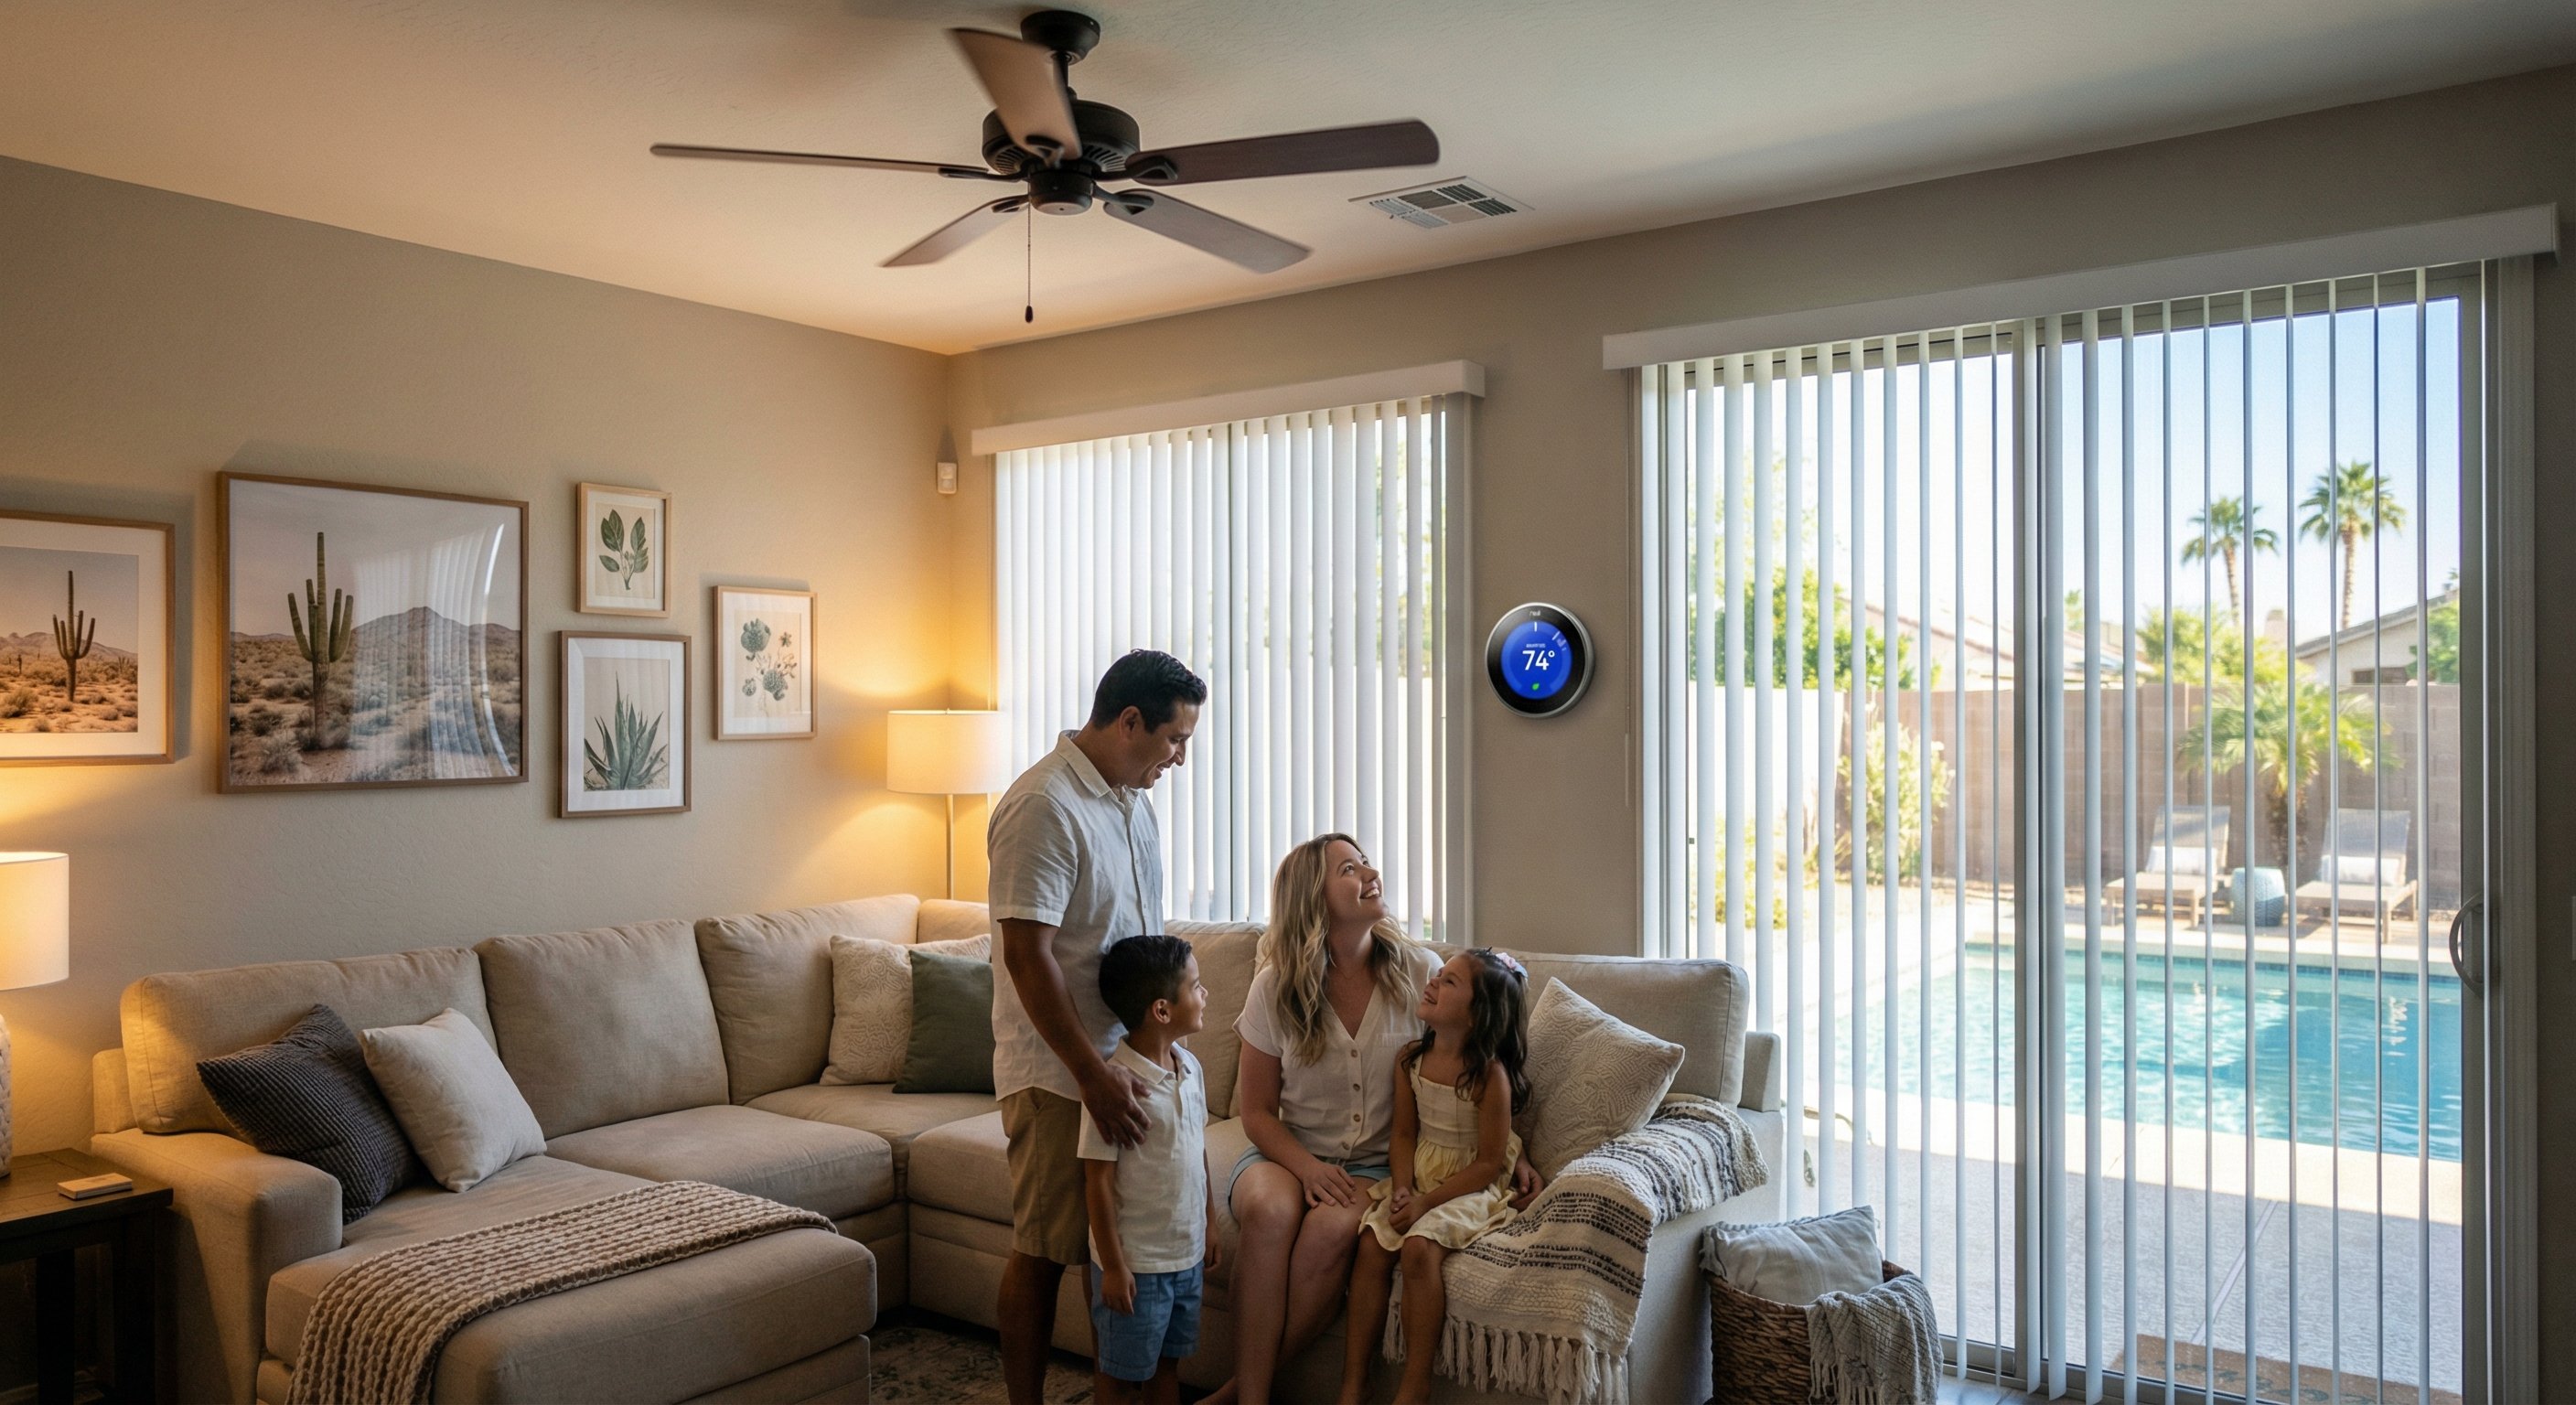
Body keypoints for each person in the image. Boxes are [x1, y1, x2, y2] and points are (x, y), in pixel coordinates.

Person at [1208, 835, 1540, 1405]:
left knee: (1330, 1232)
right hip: (1286, 1152)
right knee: (1269, 1213)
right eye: (1349, 868)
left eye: (1365, 861)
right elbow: (1258, 1112)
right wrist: (1308, 1169)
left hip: (1377, 1165)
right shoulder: (1274, 988)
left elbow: (1473, 1071)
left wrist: (1517, 1150)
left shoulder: (1421, 972)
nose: (1370, 872)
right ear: (1313, 896)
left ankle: (1240, 1392)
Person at [987, 649, 1205, 1405]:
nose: (1178, 758)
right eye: (1174, 740)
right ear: (1129, 721)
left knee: (1112, 1251)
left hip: (1128, 1071)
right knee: (1044, 1251)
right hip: (1059, 1073)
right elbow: (1027, 952)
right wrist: (1090, 1073)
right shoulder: (1043, 805)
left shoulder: (1132, 800)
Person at [1338, 949, 1532, 1405]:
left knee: (1419, 1248)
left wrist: (1426, 1204)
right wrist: (1404, 1188)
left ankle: (1415, 1385)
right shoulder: (1410, 1060)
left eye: (1449, 982)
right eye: (1439, 974)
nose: (1433, 982)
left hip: (1470, 1182)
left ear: (1477, 1014)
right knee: (1371, 1241)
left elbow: (1488, 1163)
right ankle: (1353, 1381)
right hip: (1420, 1174)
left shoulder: (1490, 1076)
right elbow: (1404, 1134)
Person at [1079, 936, 1220, 1405]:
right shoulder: (1115, 1089)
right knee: (1120, 1379)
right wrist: (1115, 1268)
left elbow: (1196, 1149)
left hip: (1187, 1257)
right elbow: (1097, 1183)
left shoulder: (1192, 1068)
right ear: (1162, 1010)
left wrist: (1211, 1221)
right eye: (1197, 987)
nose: (1205, 995)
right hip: (1137, 1267)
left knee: (1167, 1367)